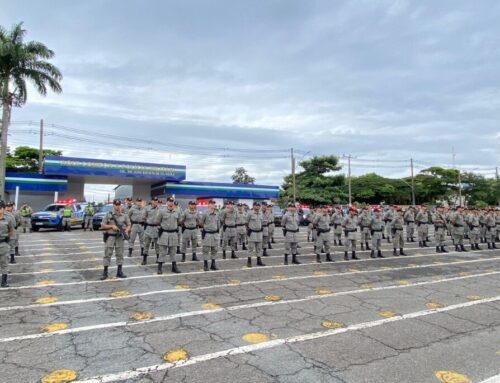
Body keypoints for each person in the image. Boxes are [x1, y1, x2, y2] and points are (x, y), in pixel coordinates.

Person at [99, 199, 131, 280]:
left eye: (119, 205)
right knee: (107, 254)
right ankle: (105, 272)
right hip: (110, 237)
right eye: (116, 205)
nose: (117, 206)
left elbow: (129, 224)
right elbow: (102, 225)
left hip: (120, 238)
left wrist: (126, 231)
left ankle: (119, 272)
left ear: (121, 205)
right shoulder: (108, 215)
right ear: (113, 205)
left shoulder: (124, 215)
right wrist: (111, 226)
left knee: (120, 255)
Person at [154, 197, 181, 274]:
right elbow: (157, 221)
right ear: (167, 202)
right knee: (162, 251)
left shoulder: (177, 212)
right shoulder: (162, 211)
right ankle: (159, 267)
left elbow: (179, 221)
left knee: (173, 251)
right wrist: (161, 229)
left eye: (172, 201)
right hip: (164, 233)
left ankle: (174, 267)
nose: (171, 203)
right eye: (170, 201)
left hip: (173, 234)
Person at [198, 200, 220, 271]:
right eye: (211, 204)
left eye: (214, 203)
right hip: (207, 234)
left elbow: (218, 224)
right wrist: (205, 228)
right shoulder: (205, 213)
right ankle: (206, 265)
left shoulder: (217, 213)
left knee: (214, 250)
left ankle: (213, 264)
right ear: (208, 205)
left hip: (215, 234)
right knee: (206, 250)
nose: (213, 205)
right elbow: (201, 223)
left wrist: (217, 229)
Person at [0, 201, 15, 287]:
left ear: (3, 209)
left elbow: (11, 231)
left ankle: (4, 281)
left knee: (4, 263)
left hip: (3, 244)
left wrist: (6, 239)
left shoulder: (8, 219)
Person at [246, 202, 265, 267]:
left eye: (258, 206)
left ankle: (259, 261)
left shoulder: (261, 213)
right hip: (252, 233)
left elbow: (261, 222)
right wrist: (249, 229)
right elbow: (246, 222)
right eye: (256, 205)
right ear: (253, 206)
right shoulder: (250, 213)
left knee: (259, 248)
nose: (257, 207)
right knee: (250, 248)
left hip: (259, 233)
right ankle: (249, 261)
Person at [142, 197, 160, 265]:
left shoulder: (160, 209)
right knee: (146, 244)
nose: (155, 202)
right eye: (154, 201)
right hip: (149, 228)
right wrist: (148, 222)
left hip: (157, 228)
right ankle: (144, 259)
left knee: (157, 245)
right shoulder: (147, 208)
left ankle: (158, 259)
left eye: (156, 201)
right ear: (152, 201)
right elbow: (143, 217)